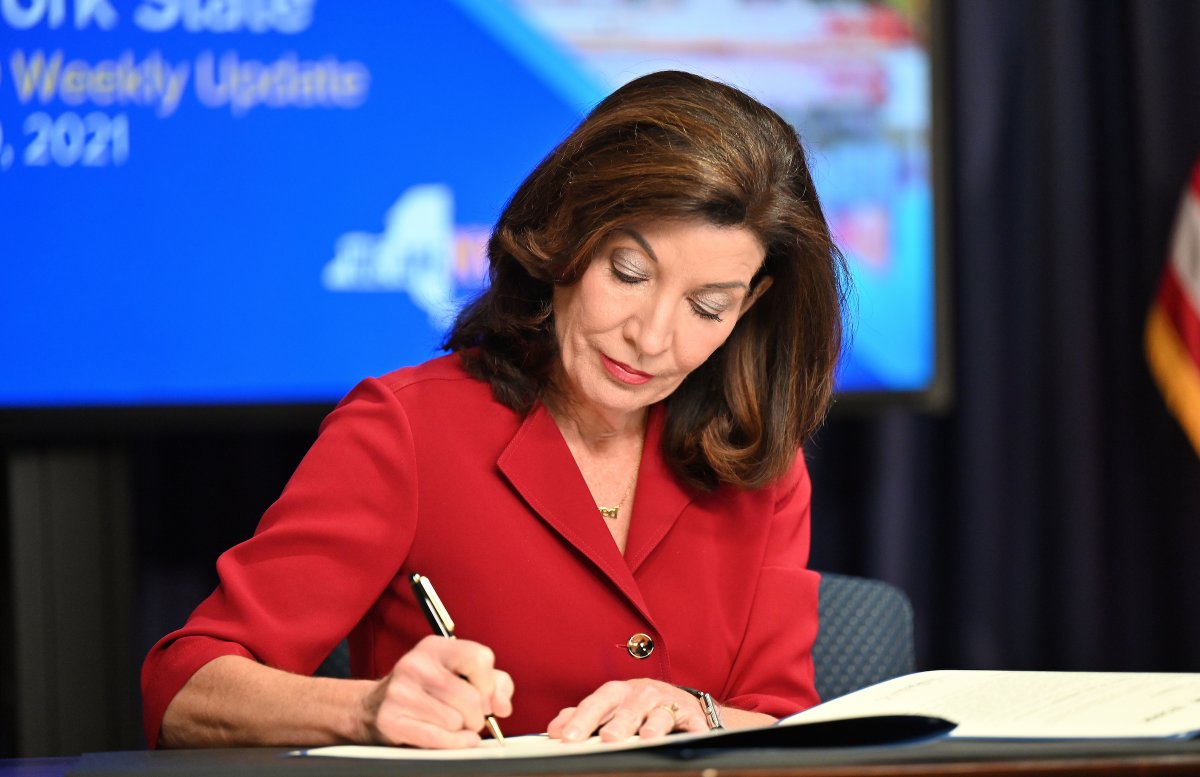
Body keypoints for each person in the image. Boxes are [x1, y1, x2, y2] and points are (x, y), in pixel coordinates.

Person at [142, 69, 848, 750]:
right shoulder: (407, 428)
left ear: (749, 306)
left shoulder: (762, 465)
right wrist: (365, 707)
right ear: (568, 234)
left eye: (707, 306)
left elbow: (783, 726)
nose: (653, 336)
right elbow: (184, 690)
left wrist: (701, 712)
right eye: (628, 273)